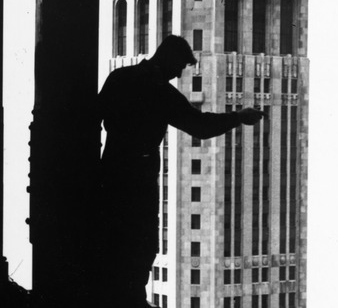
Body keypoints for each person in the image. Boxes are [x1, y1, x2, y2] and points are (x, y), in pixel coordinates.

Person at [95, 35, 265, 307]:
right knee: (142, 243)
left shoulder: (120, 77)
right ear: (169, 59)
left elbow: (94, 118)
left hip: (111, 171)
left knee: (115, 240)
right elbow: (200, 126)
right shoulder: (161, 92)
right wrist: (238, 117)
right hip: (139, 178)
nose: (179, 73)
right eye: (180, 66)